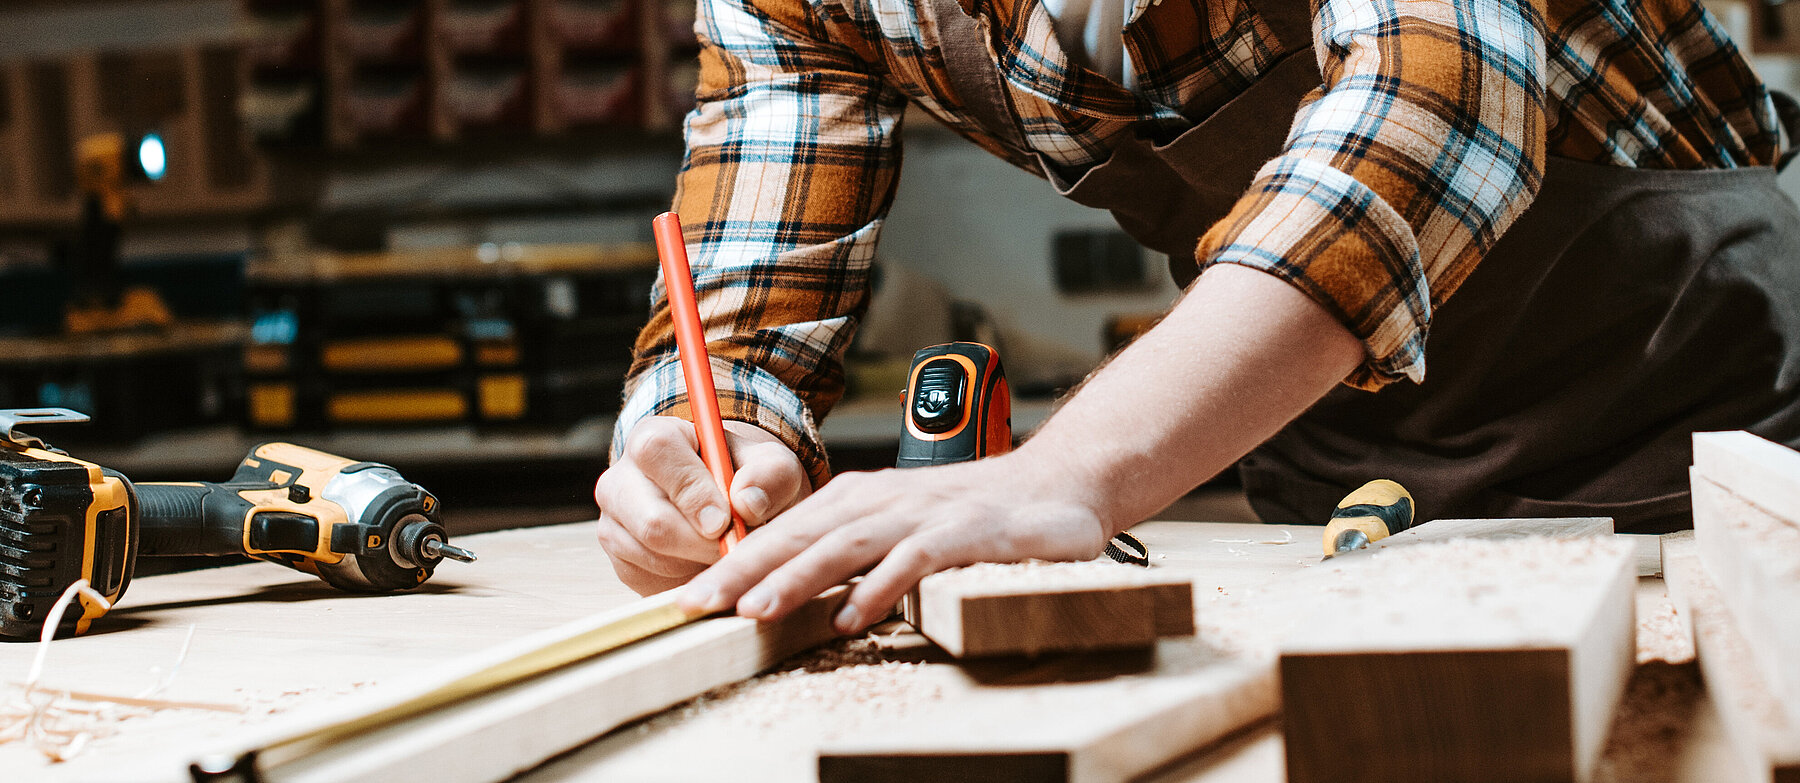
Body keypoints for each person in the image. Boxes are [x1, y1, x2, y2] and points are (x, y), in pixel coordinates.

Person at [594, 0, 1800, 635]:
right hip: (1342, 470)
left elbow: (1441, 98)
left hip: (1709, 415)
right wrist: (701, 448)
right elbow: (743, 297)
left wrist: (1064, 469)